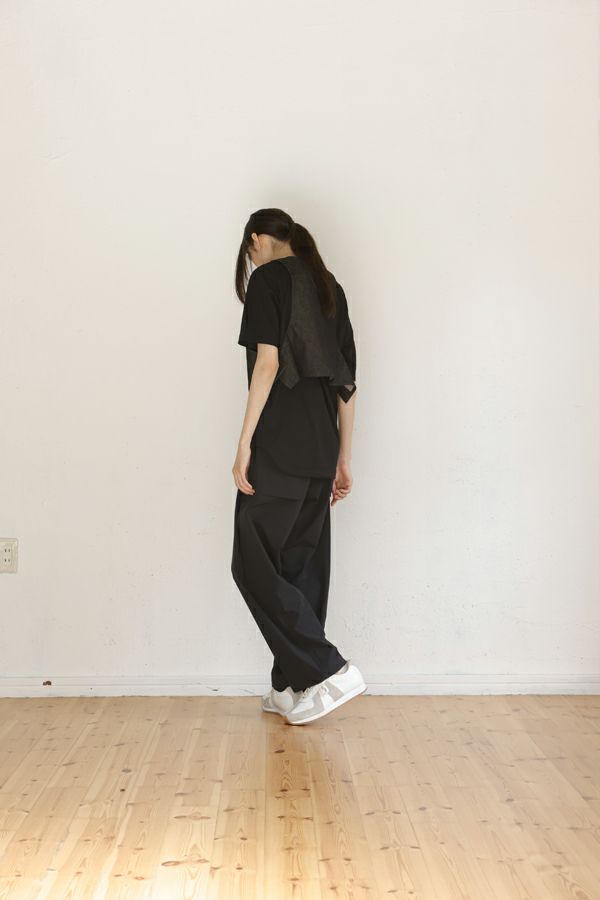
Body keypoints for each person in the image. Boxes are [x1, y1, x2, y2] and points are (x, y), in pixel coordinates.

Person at [230, 207, 366, 725]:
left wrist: (245, 442)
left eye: (250, 251)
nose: (252, 259)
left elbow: (267, 363)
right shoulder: (331, 288)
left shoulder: (268, 280)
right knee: (299, 566)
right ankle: (289, 685)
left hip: (280, 446)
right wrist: (344, 458)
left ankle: (329, 671)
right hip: (320, 447)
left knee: (253, 564)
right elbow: (347, 384)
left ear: (258, 240)